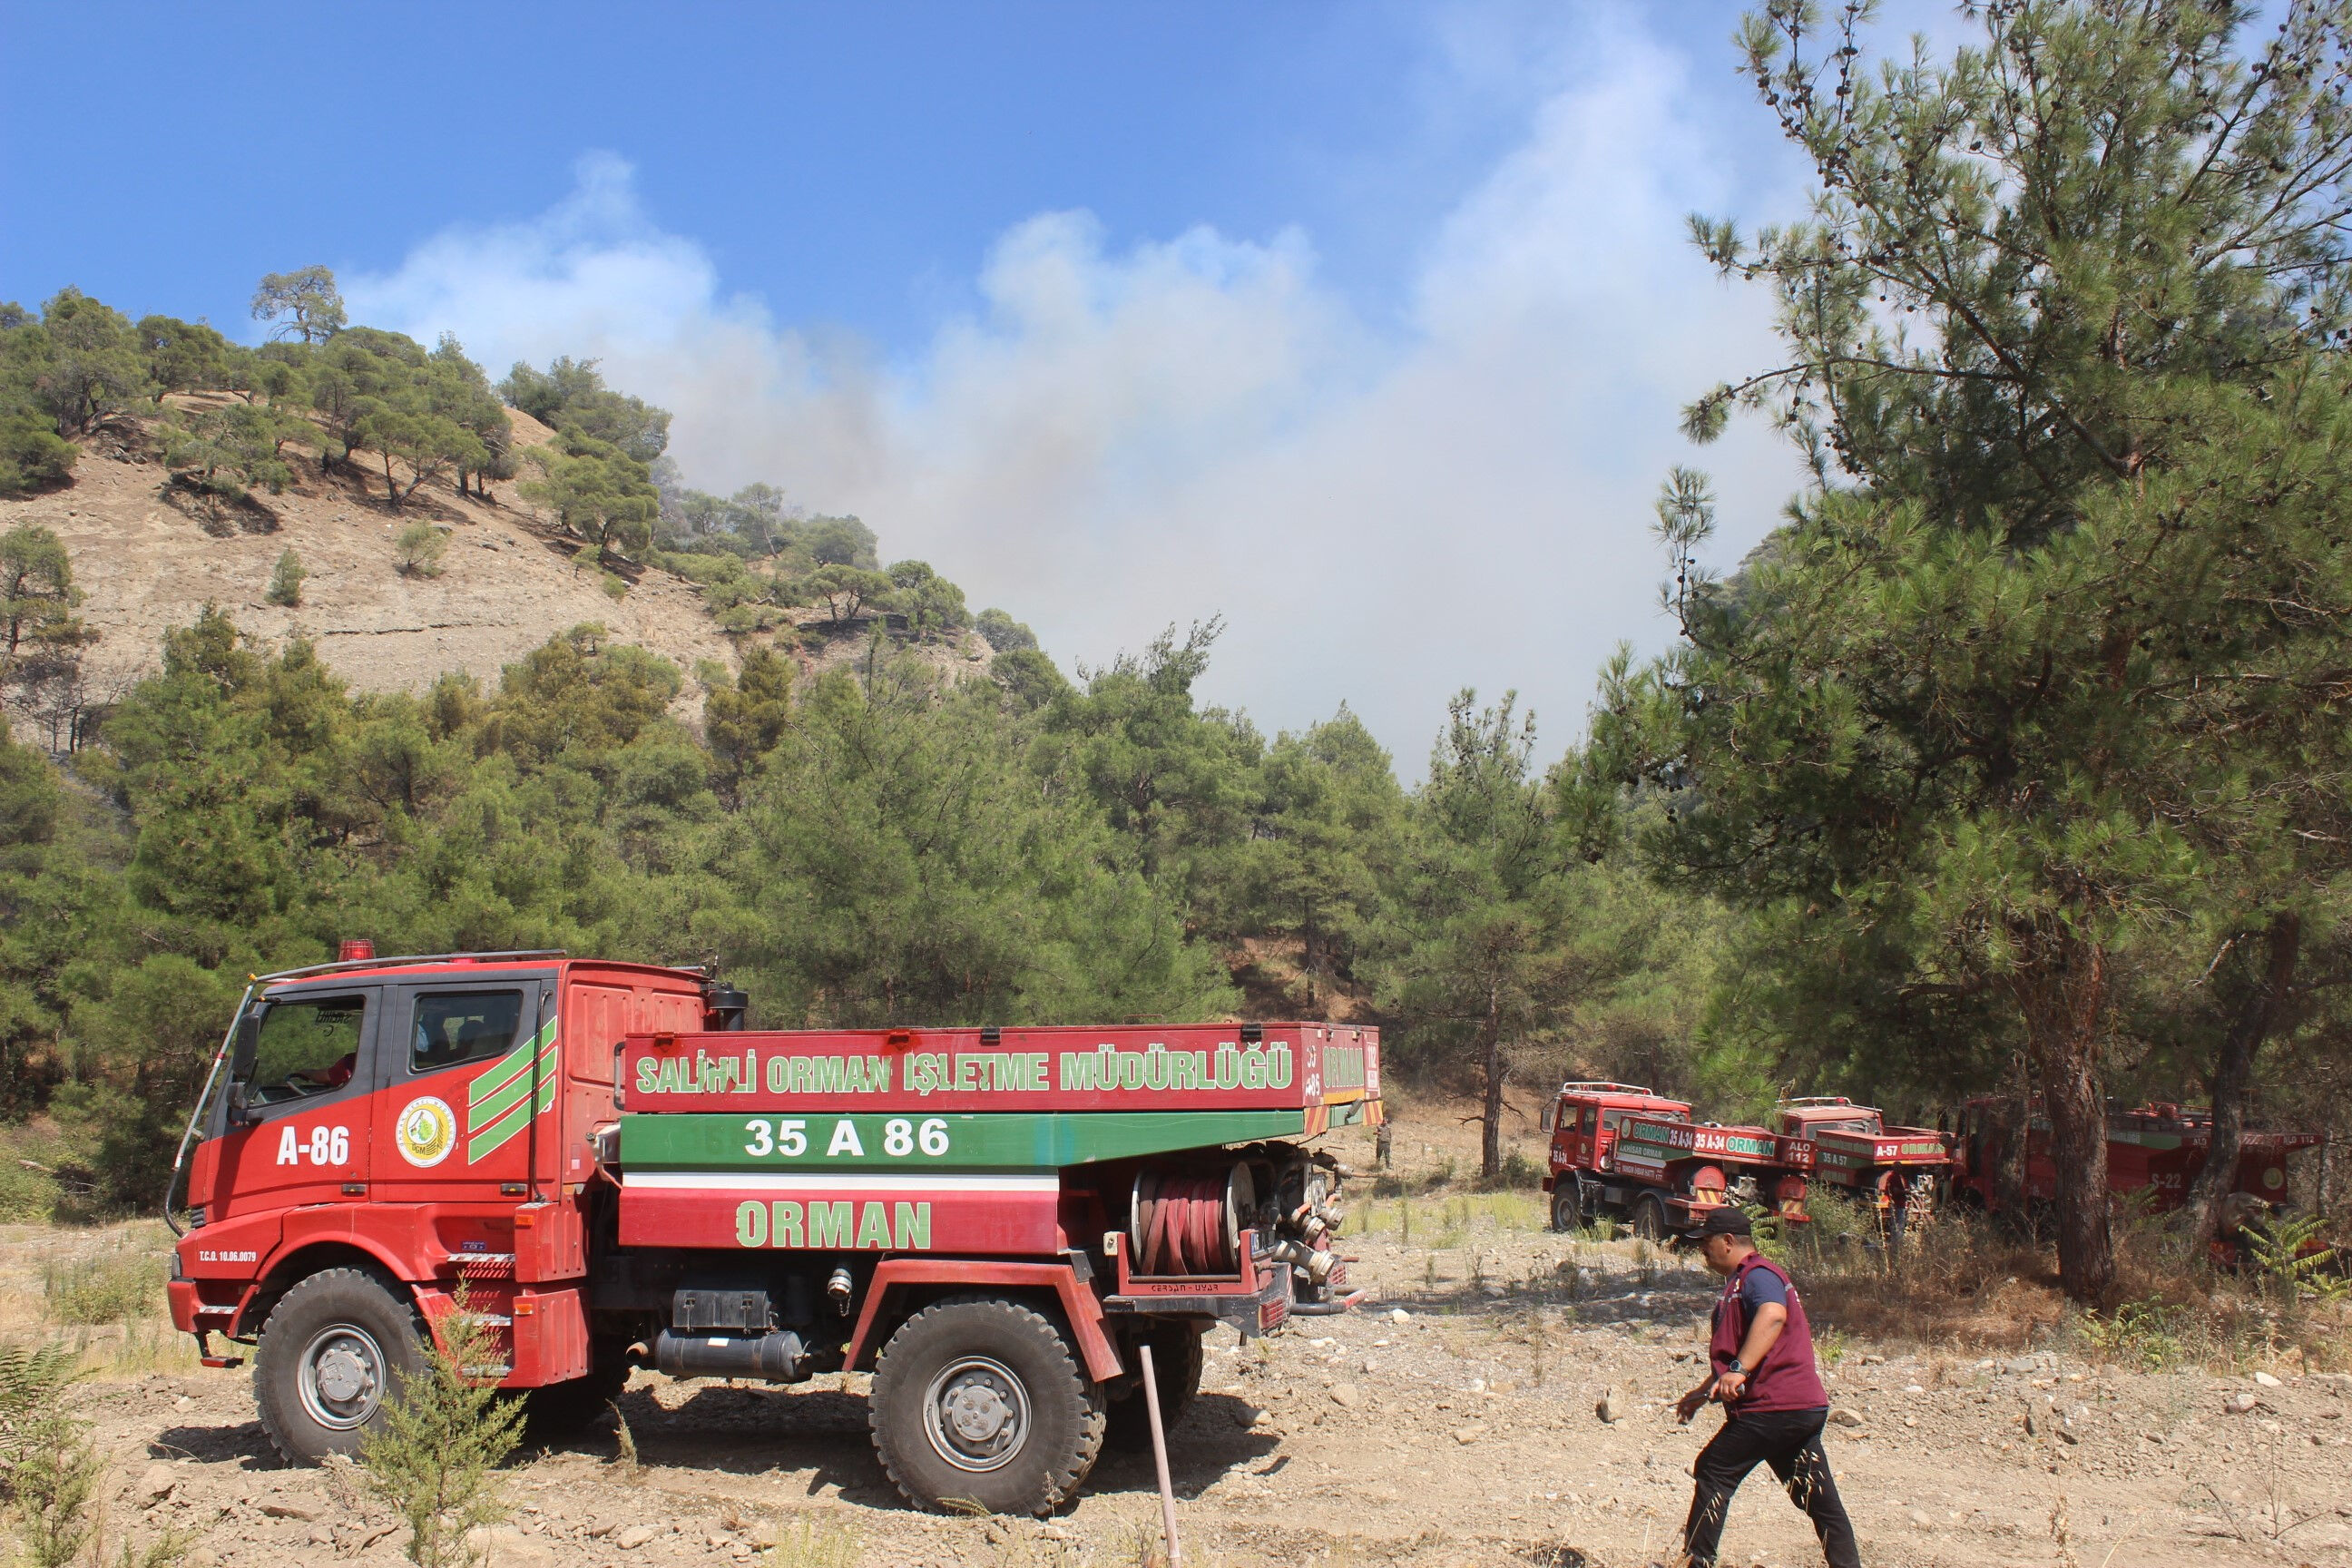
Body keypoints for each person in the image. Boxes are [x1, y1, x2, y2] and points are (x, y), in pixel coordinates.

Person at [1672, 1208, 1860, 1568]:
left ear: (1728, 1242)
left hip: (1773, 1407)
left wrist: (1739, 1371)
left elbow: (1773, 1315)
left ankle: (1697, 1562)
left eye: (1706, 1242)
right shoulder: (1743, 1281)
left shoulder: (1758, 1276)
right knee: (1820, 1501)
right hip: (1799, 1408)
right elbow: (1740, 1350)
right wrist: (1701, 1393)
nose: (1702, 1250)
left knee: (1714, 1469)